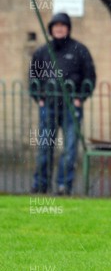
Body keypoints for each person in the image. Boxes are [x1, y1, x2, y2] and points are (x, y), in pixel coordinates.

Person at [29, 12, 96, 195]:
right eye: (55, 26)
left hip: (70, 106)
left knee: (69, 148)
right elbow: (33, 78)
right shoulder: (42, 52)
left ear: (68, 28)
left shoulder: (80, 50)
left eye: (62, 25)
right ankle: (41, 184)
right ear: (50, 29)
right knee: (45, 146)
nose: (59, 29)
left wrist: (79, 97)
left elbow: (89, 77)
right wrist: (39, 98)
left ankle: (63, 185)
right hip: (49, 105)